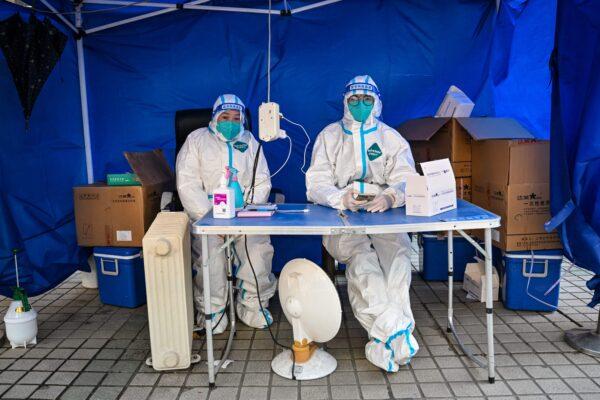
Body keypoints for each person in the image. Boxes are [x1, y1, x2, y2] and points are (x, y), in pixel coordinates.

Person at [305, 75, 419, 372]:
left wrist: (391, 198)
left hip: (384, 215)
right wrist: (339, 198)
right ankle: (396, 334)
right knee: (362, 261)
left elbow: (407, 177)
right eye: (354, 100)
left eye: (366, 100)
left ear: (377, 103)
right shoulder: (329, 136)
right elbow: (315, 182)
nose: (360, 105)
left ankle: (385, 338)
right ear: (345, 102)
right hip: (340, 214)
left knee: (398, 258)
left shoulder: (390, 138)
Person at [176, 94, 276, 334]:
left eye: (236, 117)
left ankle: (253, 304)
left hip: (245, 215)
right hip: (207, 215)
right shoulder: (196, 140)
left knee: (257, 251)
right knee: (210, 259)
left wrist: (248, 211)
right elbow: (187, 184)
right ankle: (212, 310)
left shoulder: (250, 141)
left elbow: (262, 180)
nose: (231, 122)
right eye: (225, 117)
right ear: (214, 117)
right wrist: (209, 220)